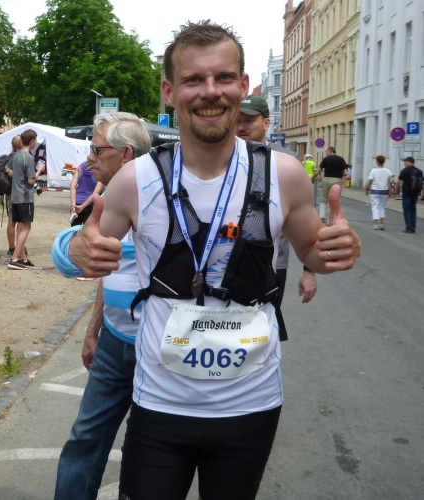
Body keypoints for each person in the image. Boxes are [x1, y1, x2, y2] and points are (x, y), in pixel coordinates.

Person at [60, 21, 360, 499]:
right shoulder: (137, 179)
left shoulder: (283, 174)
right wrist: (74, 249)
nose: (210, 91)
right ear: (169, 91)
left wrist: (335, 251)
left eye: (224, 77)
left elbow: (311, 252)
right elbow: (78, 250)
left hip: (251, 404)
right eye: (194, 79)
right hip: (161, 404)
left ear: (243, 85)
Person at [51, 113, 152, 500]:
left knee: (144, 452)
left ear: (125, 154)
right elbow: (107, 272)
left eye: (96, 149)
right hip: (114, 341)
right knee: (85, 440)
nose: (89, 159)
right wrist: (93, 330)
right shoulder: (105, 201)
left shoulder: (159, 198)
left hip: (155, 347)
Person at [237, 95, 317, 305]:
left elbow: (307, 219)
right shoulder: (221, 158)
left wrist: (309, 271)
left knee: (266, 321)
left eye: (249, 121)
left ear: (266, 123)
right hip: (225, 259)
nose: (241, 127)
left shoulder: (287, 161)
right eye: (237, 121)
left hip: (272, 262)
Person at [6, 132, 37, 270]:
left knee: (20, 227)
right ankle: (15, 259)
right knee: (26, 227)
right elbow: (31, 180)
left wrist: (16, 175)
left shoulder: (16, 154)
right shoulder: (29, 157)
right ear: (32, 141)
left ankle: (23, 258)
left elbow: (8, 167)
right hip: (25, 196)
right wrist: (39, 171)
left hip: (15, 196)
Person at [318, 146, 349, 223]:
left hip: (326, 179)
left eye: (326, 151)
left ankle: (322, 216)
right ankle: (333, 218)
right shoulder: (341, 159)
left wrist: (316, 177)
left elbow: (319, 170)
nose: (325, 153)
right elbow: (346, 173)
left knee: (324, 199)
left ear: (330, 151)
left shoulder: (325, 159)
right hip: (337, 180)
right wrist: (342, 180)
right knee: (335, 200)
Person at [69, 160, 103, 226]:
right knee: (88, 230)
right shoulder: (100, 170)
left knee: (74, 230)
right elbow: (95, 193)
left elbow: (73, 187)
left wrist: (73, 204)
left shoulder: (80, 166)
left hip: (76, 203)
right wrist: (82, 207)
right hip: (90, 205)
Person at [395, 156, 423, 234]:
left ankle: (409, 227)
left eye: (405, 162)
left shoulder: (405, 171)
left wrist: (396, 190)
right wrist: (422, 193)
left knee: (407, 210)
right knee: (413, 209)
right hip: (415, 193)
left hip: (406, 193)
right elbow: (422, 183)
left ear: (409, 162)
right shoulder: (419, 171)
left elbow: (398, 181)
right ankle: (413, 227)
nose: (404, 163)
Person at [364, 155, 393, 230]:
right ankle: (382, 224)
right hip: (384, 191)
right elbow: (389, 182)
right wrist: (390, 191)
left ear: (377, 161)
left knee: (375, 207)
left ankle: (375, 224)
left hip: (375, 190)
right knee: (382, 207)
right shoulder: (387, 171)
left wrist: (367, 189)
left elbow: (370, 181)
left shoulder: (374, 171)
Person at [6, 135, 21, 256]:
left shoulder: (10, 156)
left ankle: (13, 247)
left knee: (12, 220)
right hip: (17, 192)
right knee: (15, 221)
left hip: (10, 192)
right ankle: (14, 248)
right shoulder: (18, 157)